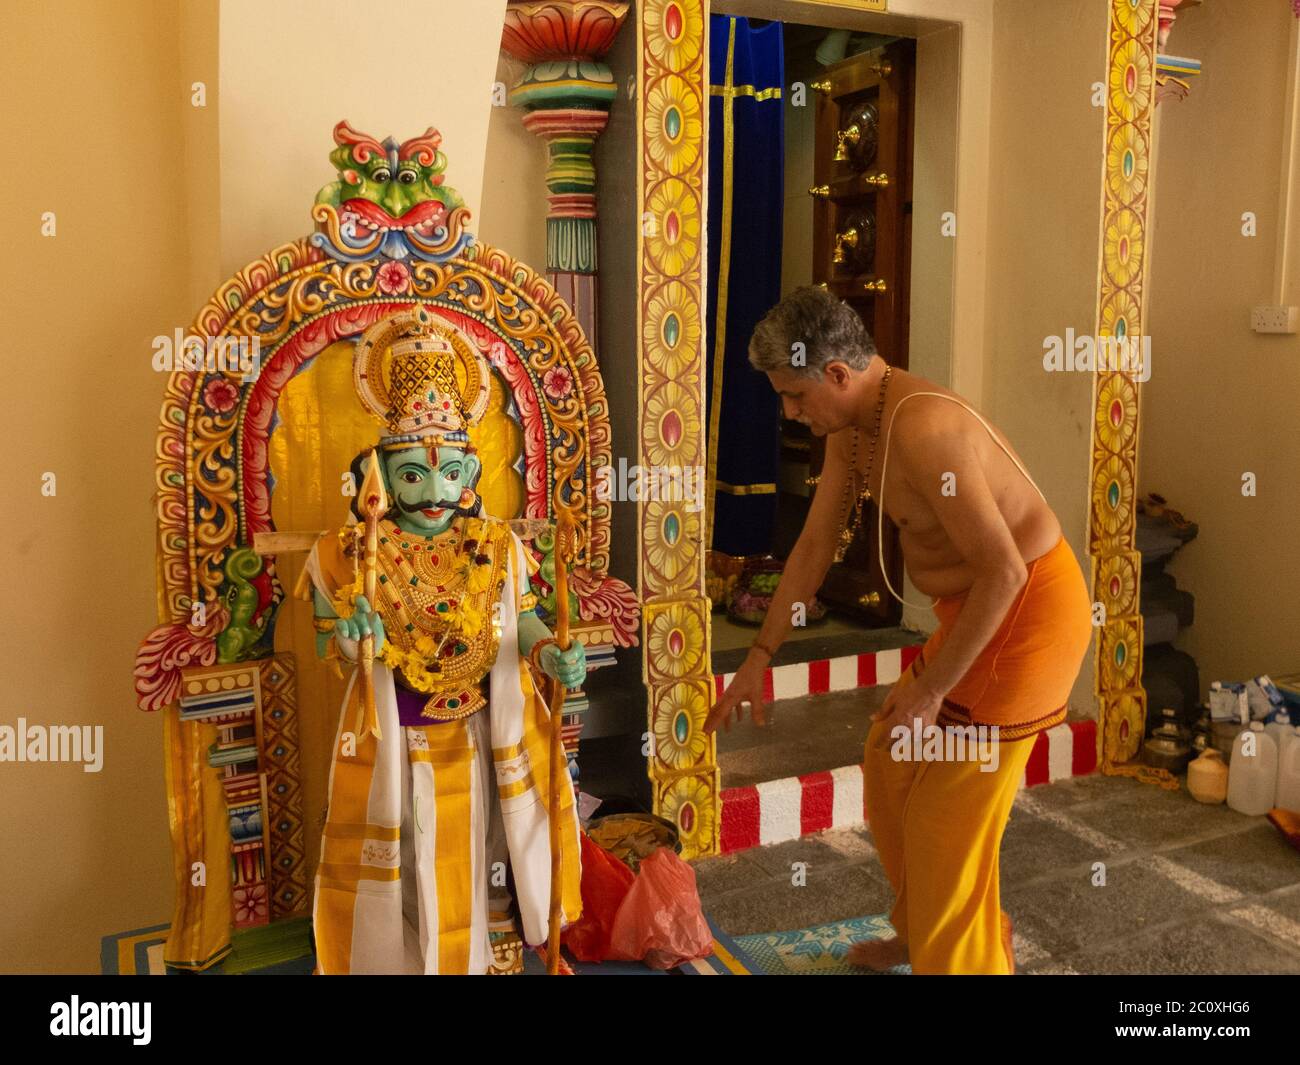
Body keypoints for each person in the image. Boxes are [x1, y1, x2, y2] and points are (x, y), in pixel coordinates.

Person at [704, 286, 1091, 974]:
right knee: (891, 757)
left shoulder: (923, 429)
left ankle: (966, 963)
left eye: (794, 396)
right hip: (978, 610)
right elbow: (814, 546)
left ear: (836, 375)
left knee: (948, 819)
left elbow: (1004, 572)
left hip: (1026, 611)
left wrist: (934, 689)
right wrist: (759, 655)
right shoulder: (853, 428)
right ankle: (922, 935)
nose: (790, 413)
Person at [304, 303, 586, 974]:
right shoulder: (348, 554)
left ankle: (487, 957)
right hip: (397, 744)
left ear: (469, 474)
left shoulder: (495, 545)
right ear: (379, 475)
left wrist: (549, 651)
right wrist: (351, 637)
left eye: (449, 473)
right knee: (403, 863)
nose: (434, 492)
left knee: (485, 855)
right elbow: (329, 649)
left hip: (481, 730)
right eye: (412, 474)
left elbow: (521, 620)